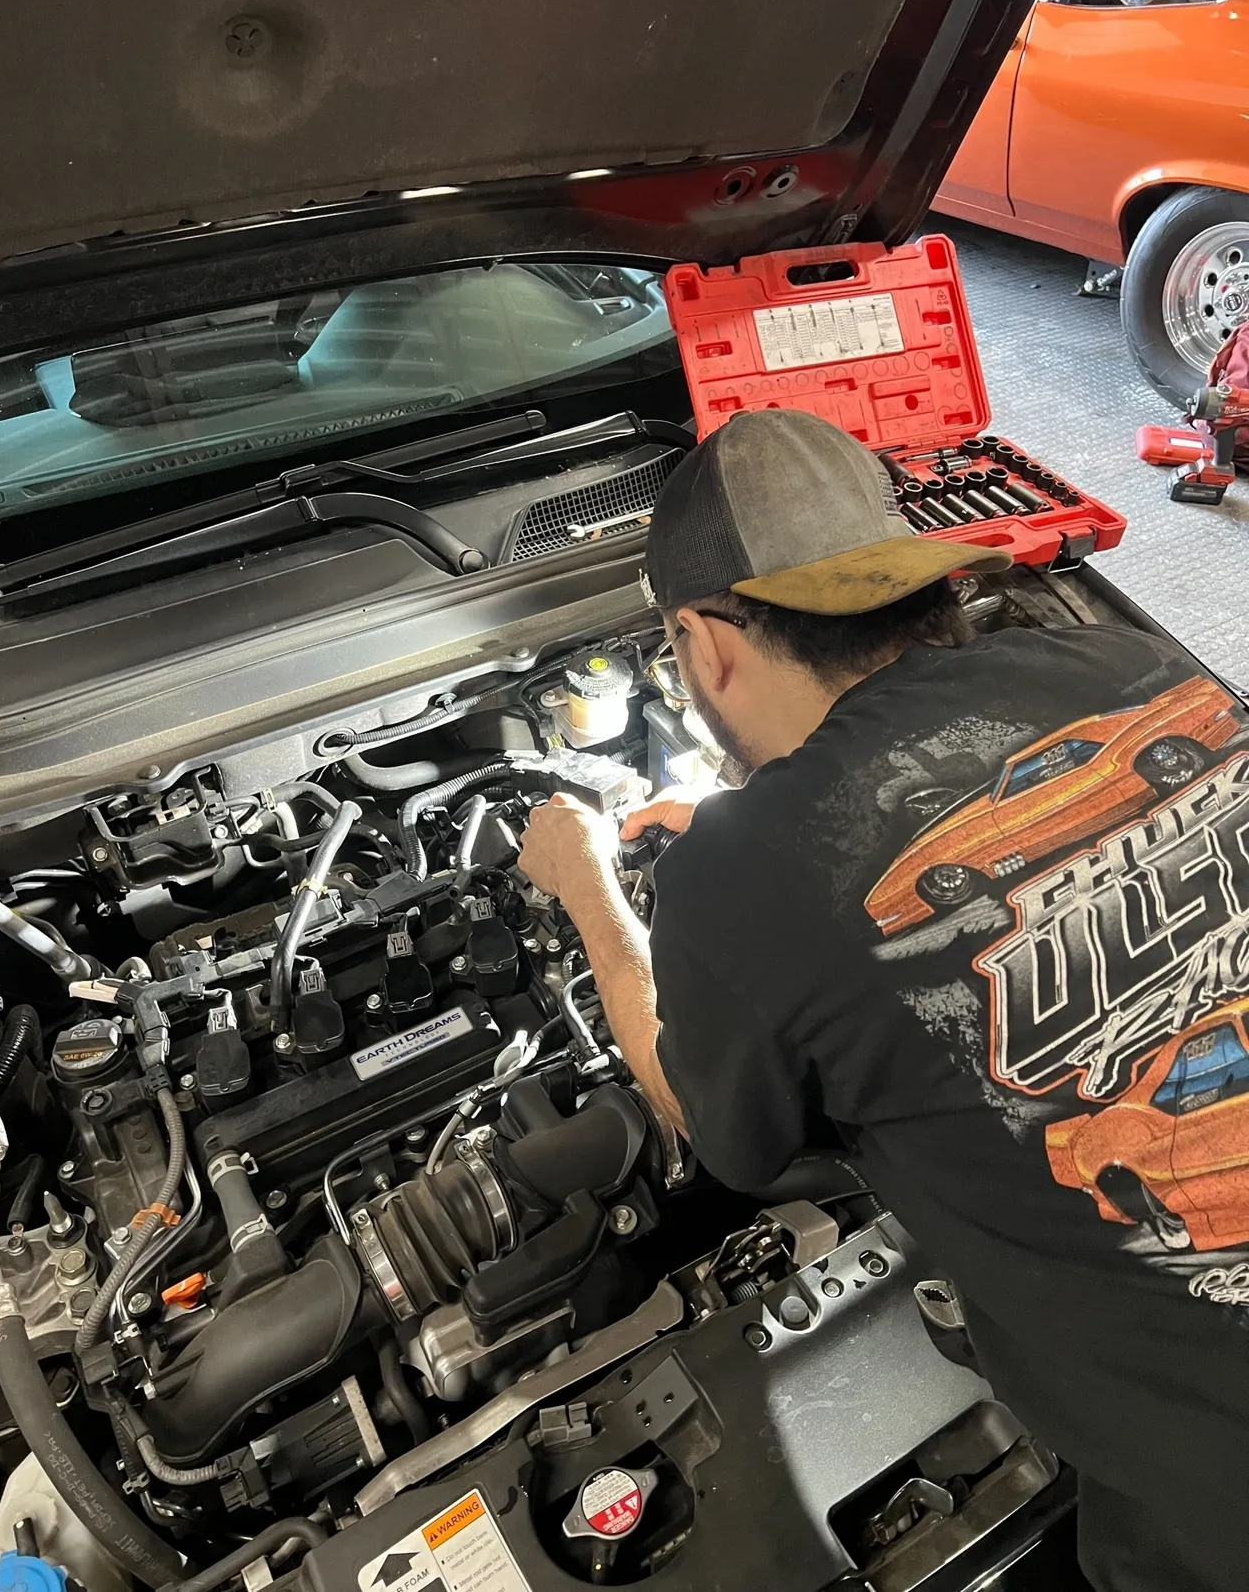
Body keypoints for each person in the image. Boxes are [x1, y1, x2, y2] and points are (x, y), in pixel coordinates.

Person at [518, 408, 1249, 1592]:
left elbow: (716, 1134)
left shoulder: (736, 872)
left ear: (702, 645)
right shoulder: (1132, 665)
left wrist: (592, 892)